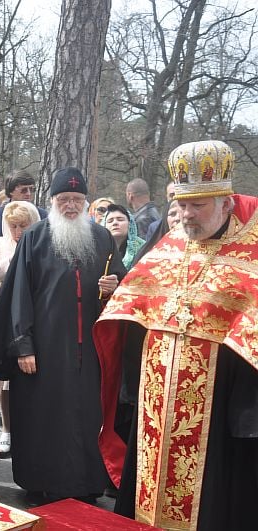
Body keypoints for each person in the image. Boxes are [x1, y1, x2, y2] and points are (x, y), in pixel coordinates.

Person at [94, 140, 258, 530]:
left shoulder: (251, 252)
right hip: (156, 404)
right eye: (181, 205)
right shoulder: (168, 246)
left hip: (218, 407)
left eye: (196, 206)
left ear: (226, 202)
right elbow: (129, 310)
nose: (185, 215)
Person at [0, 167, 126, 503]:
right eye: (64, 199)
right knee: (44, 416)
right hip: (44, 347)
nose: (71, 206)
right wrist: (23, 345)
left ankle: (88, 483)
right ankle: (40, 480)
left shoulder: (101, 238)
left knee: (86, 417)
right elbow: (18, 295)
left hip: (91, 349)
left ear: (86, 203)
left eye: (77, 199)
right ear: (53, 201)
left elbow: (122, 283)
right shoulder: (35, 237)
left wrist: (114, 286)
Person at [0, 200, 41, 456]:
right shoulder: (0, 243)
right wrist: (18, 254)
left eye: (23, 226)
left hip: (35, 314)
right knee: (3, 382)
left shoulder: (43, 243)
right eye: (14, 226)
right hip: (5, 313)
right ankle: (6, 430)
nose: (18, 231)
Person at [0, 169, 47, 264]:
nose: (28, 194)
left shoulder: (42, 215)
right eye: (24, 190)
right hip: (3, 274)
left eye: (32, 189)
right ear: (10, 192)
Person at [103, 204, 145, 270]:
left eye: (120, 220)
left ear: (130, 223)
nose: (115, 223)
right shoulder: (98, 248)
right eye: (110, 221)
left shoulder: (143, 247)